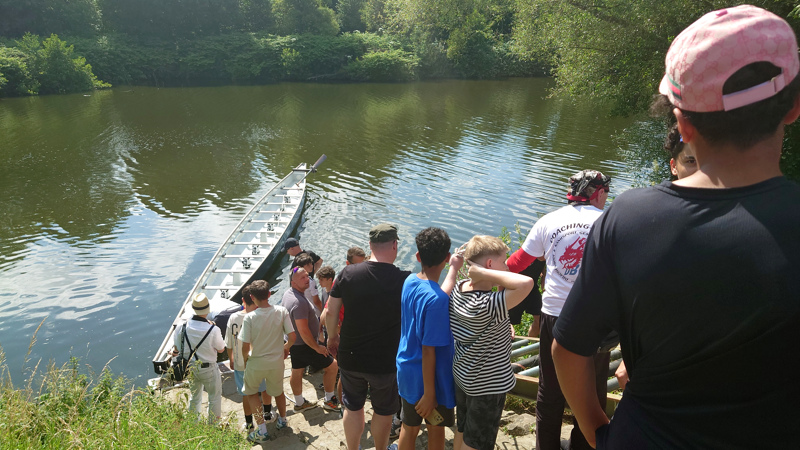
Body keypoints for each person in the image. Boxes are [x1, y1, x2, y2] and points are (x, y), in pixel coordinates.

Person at [552, 5, 800, 448]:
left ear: (683, 124)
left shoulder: (628, 219)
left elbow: (568, 349)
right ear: (794, 107)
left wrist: (598, 432)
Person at [504, 170, 610, 450]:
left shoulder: (548, 221)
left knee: (549, 390)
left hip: (554, 314)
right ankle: (584, 445)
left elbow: (516, 264)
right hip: (594, 317)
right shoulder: (609, 220)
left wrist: (488, 268)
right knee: (594, 392)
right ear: (598, 192)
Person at [326, 224, 411, 450]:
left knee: (353, 407)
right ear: (394, 245)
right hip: (385, 361)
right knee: (384, 411)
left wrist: (332, 337)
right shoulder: (405, 280)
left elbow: (331, 311)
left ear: (370, 245)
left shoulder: (347, 274)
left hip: (351, 355)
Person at [449, 235, 534, 450]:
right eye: (503, 261)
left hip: (463, 374)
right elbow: (527, 283)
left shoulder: (459, 290)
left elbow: (481, 321)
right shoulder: (488, 304)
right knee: (477, 442)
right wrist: (485, 274)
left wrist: (504, 323)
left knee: (463, 429)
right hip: (488, 384)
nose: (506, 266)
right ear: (489, 265)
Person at [396, 227, 461, 450]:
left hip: (407, 370)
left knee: (409, 427)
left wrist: (452, 270)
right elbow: (428, 350)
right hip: (431, 379)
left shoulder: (410, 282)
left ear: (417, 256)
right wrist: (430, 393)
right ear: (446, 257)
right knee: (436, 428)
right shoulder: (438, 302)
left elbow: (439, 292)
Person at [239, 280, 296, 443]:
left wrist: (245, 360)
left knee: (251, 393)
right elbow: (292, 337)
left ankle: (262, 430)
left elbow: (245, 346)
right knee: (278, 391)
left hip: (256, 362)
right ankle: (282, 420)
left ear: (251, 297)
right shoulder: (281, 311)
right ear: (269, 294)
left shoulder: (249, 317)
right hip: (276, 361)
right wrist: (285, 348)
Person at [282, 266, 340, 412]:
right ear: (293, 282)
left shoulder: (288, 294)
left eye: (307, 276)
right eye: (302, 278)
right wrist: (317, 347)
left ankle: (300, 402)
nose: (307, 279)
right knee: (333, 366)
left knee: (297, 369)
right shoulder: (299, 302)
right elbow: (303, 330)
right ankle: (329, 399)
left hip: (295, 343)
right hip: (305, 345)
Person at [225, 285, 275, 431]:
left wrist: (232, 358)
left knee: (247, 394)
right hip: (261, 361)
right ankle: (267, 415)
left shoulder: (233, 318)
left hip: (241, 363)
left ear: (243, 300)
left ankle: (248, 424)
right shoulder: (261, 315)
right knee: (265, 389)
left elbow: (229, 344)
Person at [172, 293, 225, 424]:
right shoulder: (213, 329)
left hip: (189, 368)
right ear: (207, 310)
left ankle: (193, 424)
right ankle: (213, 426)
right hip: (209, 369)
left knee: (195, 397)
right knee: (214, 397)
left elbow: (177, 349)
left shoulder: (181, 327)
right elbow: (221, 349)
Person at [508, 259, 546, 337]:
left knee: (540, 318)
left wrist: (544, 275)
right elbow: (507, 269)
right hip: (517, 289)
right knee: (507, 321)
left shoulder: (545, 254)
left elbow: (542, 265)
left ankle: (530, 343)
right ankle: (507, 343)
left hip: (532, 289)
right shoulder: (524, 254)